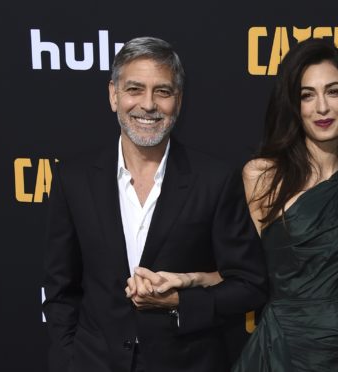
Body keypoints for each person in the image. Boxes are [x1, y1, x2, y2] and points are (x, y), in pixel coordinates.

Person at [136, 38, 338, 371]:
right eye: (307, 95)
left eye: (333, 92)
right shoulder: (263, 176)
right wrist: (187, 279)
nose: (321, 107)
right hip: (282, 351)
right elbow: (244, 275)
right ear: (295, 105)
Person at [42, 36, 268, 372]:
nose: (148, 104)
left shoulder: (214, 180)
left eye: (162, 91)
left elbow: (251, 284)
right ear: (113, 95)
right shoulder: (73, 179)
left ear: (178, 101)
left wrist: (180, 301)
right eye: (135, 89)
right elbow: (60, 290)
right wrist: (68, 361)